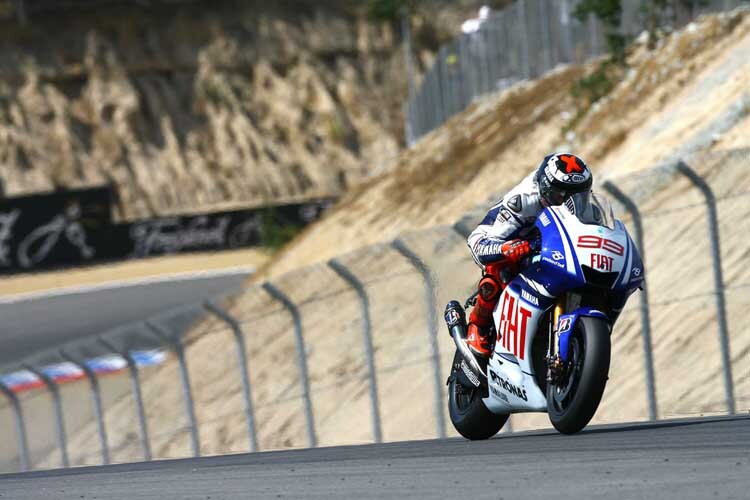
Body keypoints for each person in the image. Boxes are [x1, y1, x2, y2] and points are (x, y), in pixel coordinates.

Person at [465, 153, 593, 357]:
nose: (565, 203)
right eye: (559, 196)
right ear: (545, 187)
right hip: (509, 242)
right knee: (499, 271)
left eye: (574, 197)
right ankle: (477, 325)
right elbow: (478, 244)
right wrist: (506, 249)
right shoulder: (523, 201)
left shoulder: (580, 206)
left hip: (548, 245)